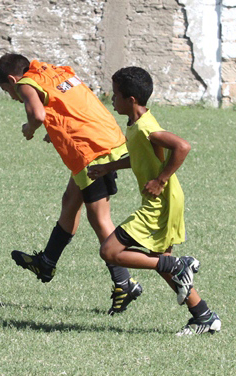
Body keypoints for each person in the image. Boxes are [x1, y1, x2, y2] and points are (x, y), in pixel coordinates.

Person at [0, 54, 140, 315]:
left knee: (100, 218)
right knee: (70, 201)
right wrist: (58, 131)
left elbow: (38, 114)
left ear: (11, 80)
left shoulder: (25, 84)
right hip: (106, 136)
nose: (13, 96)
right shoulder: (52, 71)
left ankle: (124, 283)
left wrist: (30, 128)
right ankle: (47, 262)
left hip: (90, 150)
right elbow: (71, 103)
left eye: (8, 91)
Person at [89, 66, 221, 335]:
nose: (111, 99)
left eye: (115, 95)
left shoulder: (147, 128)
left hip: (159, 205)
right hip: (166, 203)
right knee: (162, 264)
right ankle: (203, 316)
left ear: (131, 100)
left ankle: (179, 264)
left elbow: (182, 146)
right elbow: (140, 156)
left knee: (110, 251)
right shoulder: (136, 125)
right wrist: (108, 167)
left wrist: (161, 180)